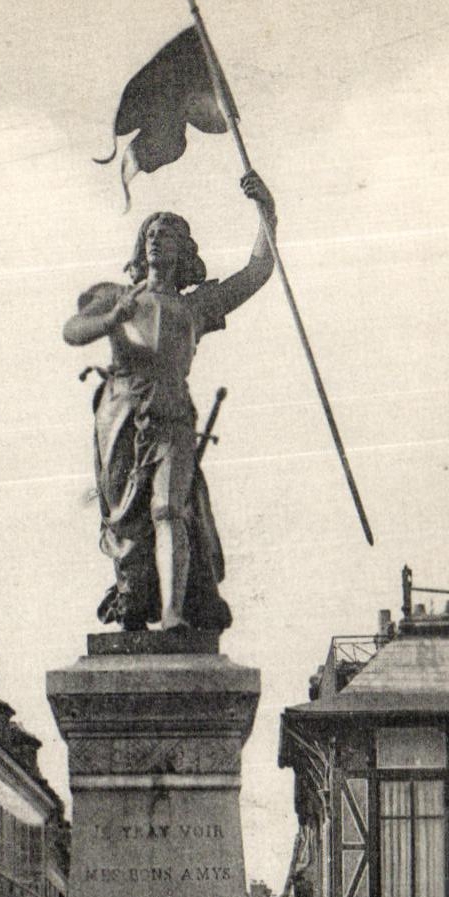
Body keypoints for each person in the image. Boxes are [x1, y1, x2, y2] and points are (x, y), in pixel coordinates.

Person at [64, 172, 277, 632]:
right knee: (125, 522)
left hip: (172, 412)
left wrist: (267, 214)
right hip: (120, 414)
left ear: (183, 251)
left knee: (169, 509)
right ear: (142, 248)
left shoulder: (196, 306)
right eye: (151, 234)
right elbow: (71, 331)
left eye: (168, 235)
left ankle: (175, 613)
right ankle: (133, 602)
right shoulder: (117, 296)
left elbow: (257, 271)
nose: (158, 240)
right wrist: (110, 320)